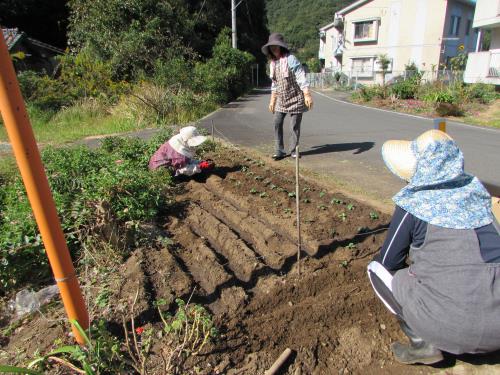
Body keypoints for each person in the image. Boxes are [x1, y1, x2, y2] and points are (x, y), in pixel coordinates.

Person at [367, 129, 500, 365]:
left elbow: (388, 261)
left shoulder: (414, 204)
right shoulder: (479, 197)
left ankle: (421, 342)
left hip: (450, 328)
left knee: (375, 269)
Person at [261, 33, 313, 160]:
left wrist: (307, 94)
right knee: (277, 122)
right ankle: (279, 150)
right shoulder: (273, 63)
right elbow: (275, 83)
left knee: (294, 125)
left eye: (276, 46)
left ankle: (294, 150)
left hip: (296, 97)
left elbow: (301, 76)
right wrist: (272, 100)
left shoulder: (291, 59)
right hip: (281, 98)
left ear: (281, 47)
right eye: (271, 47)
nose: (274, 49)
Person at [149, 126, 214, 176]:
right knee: (177, 172)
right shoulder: (178, 153)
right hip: (159, 170)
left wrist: (199, 162)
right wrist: (200, 166)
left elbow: (187, 160)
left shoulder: (180, 139)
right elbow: (184, 169)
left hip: (157, 163)